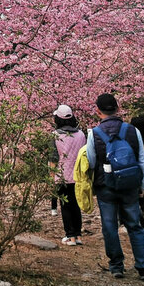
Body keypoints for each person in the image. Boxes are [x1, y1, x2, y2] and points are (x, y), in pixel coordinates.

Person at [86, 93, 144, 281]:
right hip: (130, 184)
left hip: (105, 185)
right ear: (118, 109)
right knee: (135, 225)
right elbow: (140, 159)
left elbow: (91, 162)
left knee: (109, 226)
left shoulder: (94, 133)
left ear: (97, 111)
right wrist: (142, 184)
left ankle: (116, 266)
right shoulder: (132, 130)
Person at [50, 105, 86, 246]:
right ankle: (78, 236)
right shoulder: (81, 135)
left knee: (65, 205)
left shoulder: (55, 135)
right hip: (78, 176)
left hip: (62, 176)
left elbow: (53, 158)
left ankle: (70, 236)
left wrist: (51, 177)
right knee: (76, 205)